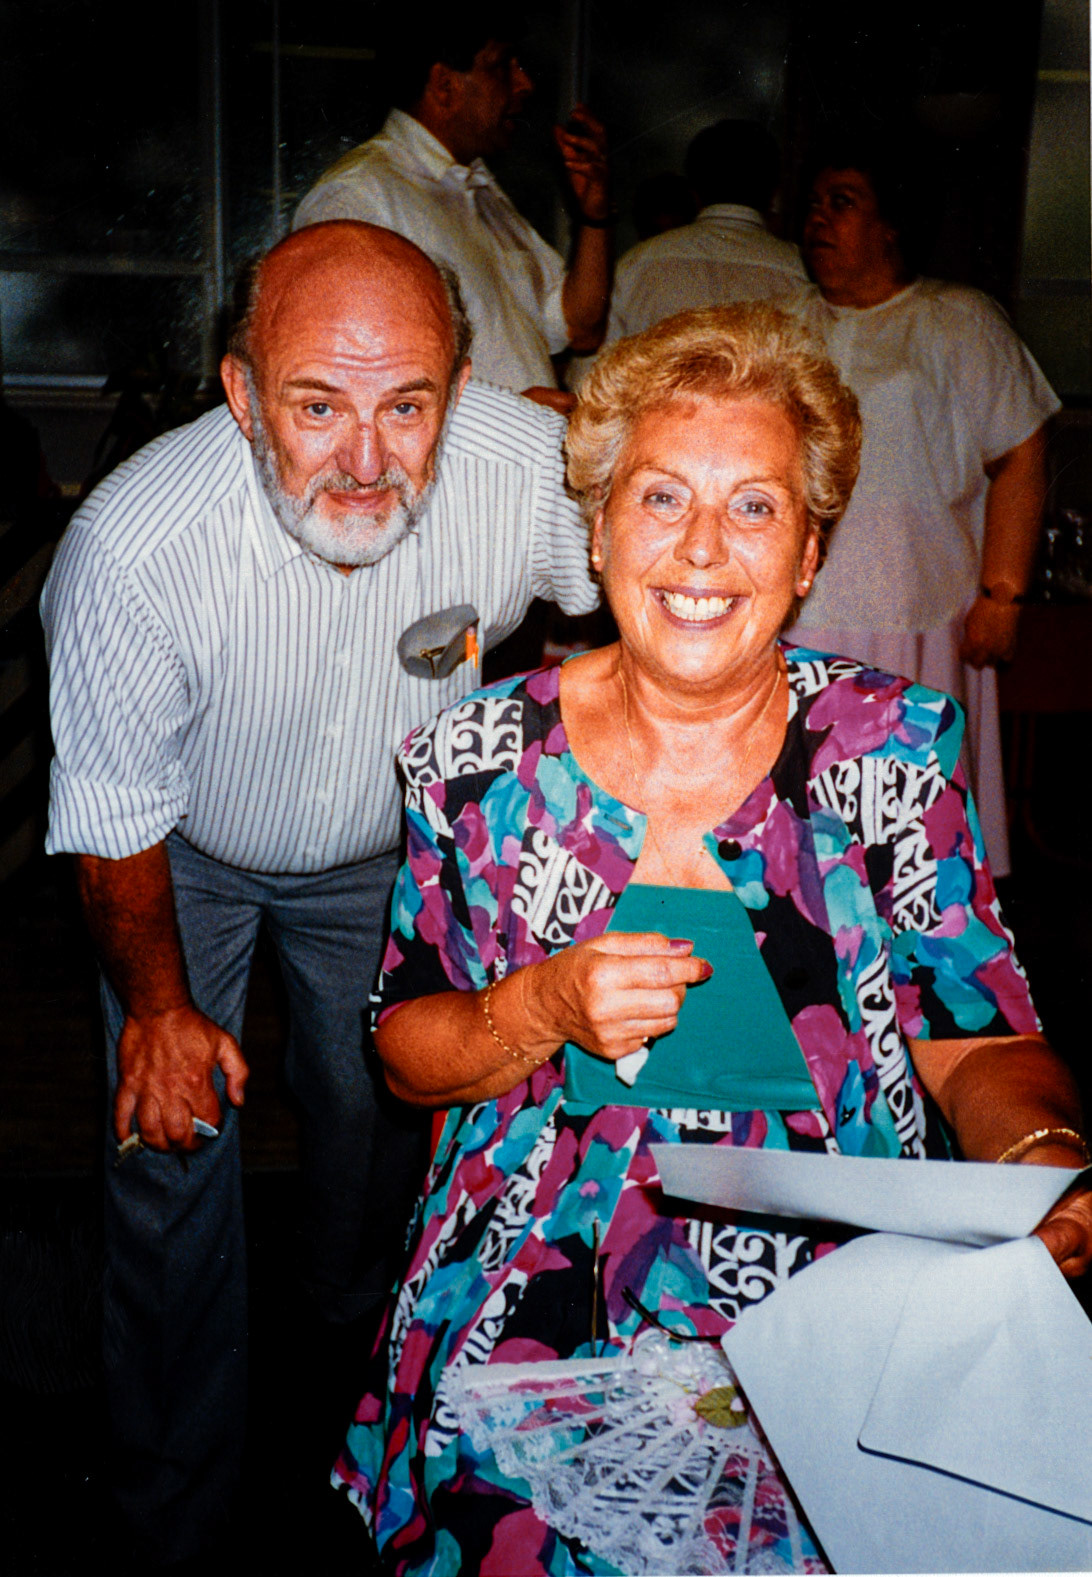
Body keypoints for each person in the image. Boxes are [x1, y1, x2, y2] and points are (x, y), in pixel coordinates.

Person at [332, 304, 1092, 1575]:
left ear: (807, 555)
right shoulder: (470, 760)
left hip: (834, 1295)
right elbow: (407, 1052)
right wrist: (546, 1008)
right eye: (662, 497)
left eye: (754, 509)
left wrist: (1042, 1154)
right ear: (598, 526)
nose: (701, 549)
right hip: (531, 1287)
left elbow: (979, 1035)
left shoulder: (889, 748)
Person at [40, 219, 598, 1565]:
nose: (363, 458)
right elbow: (116, 816)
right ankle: (169, 1503)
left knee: (382, 1112)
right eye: (315, 405)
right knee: (170, 1140)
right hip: (182, 858)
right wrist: (160, 1013)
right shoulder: (135, 544)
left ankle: (359, 1388)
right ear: (242, 392)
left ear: (458, 392)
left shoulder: (522, 471)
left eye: (406, 406)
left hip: (384, 854)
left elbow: (646, 574)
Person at [788, 145, 1060, 876]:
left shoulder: (956, 319)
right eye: (814, 203)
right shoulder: (783, 324)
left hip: (920, 615)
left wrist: (1004, 592)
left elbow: (1023, 450)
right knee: (810, 839)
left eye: (841, 200)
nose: (819, 218)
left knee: (915, 832)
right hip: (798, 613)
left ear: (891, 226)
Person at [293, 6, 612, 406]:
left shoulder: (478, 188)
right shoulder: (359, 197)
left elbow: (579, 326)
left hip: (520, 460)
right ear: (444, 85)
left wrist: (594, 216)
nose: (524, 83)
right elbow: (344, 380)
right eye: (501, 66)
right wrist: (504, 418)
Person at [605, 120, 806, 342]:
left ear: (694, 193)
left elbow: (591, 373)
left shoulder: (635, 266)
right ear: (774, 194)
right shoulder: (801, 272)